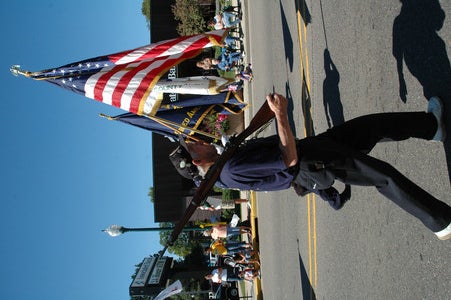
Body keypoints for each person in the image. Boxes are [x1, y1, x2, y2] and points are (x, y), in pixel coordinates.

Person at [172, 92, 451, 241]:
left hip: (313, 151)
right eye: (192, 145)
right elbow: (288, 158)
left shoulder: (224, 162)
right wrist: (281, 114)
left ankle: (431, 126)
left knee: (372, 127)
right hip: (313, 163)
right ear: (197, 161)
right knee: (384, 177)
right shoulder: (230, 169)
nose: (196, 139)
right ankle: (439, 220)